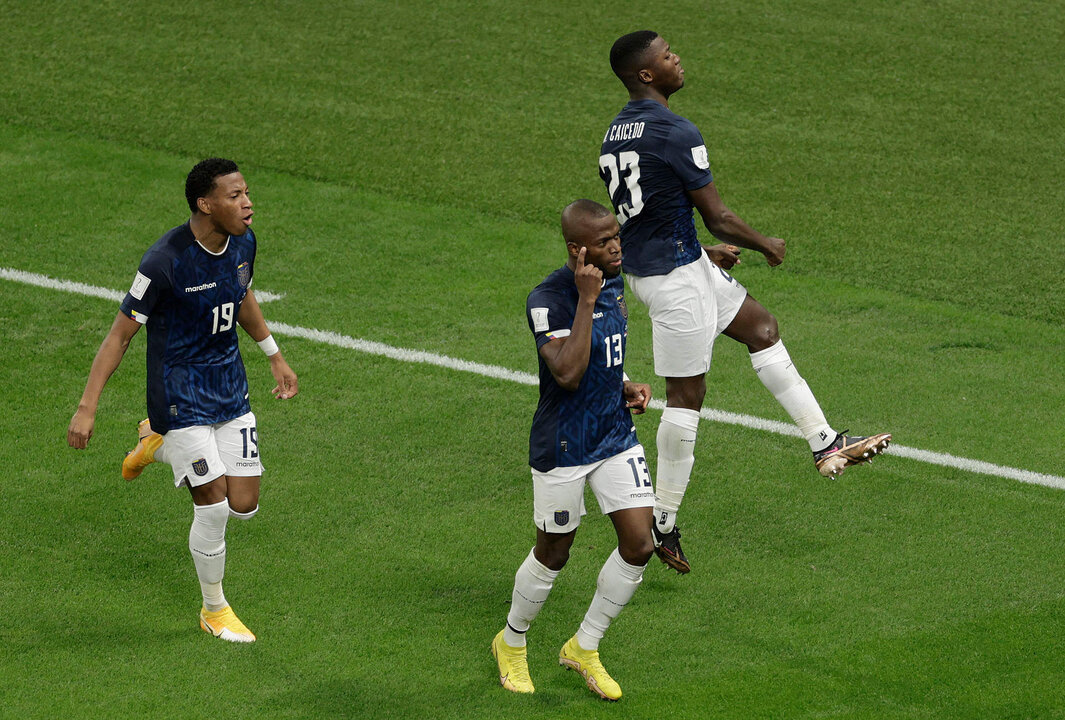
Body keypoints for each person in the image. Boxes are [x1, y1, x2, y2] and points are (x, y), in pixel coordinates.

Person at [600, 31, 891, 574]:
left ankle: (825, 442)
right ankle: (662, 521)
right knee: (686, 397)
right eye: (665, 56)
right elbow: (718, 215)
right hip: (675, 282)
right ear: (645, 74)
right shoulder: (675, 130)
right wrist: (765, 243)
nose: (676, 57)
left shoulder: (615, 132)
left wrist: (701, 252)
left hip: (676, 266)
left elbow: (642, 216)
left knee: (761, 328)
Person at [67, 158, 298, 643]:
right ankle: (214, 610)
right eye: (234, 196)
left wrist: (273, 355)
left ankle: (155, 441)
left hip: (229, 389)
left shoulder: (245, 243)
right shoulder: (164, 262)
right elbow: (119, 335)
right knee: (212, 508)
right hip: (179, 394)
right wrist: (88, 406)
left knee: (244, 505)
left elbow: (242, 296)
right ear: (205, 204)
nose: (247, 202)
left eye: (246, 192)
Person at [491, 199, 655, 701]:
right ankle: (511, 641)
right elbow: (566, 372)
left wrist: (624, 382)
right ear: (576, 249)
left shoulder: (616, 282)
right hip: (564, 444)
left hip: (613, 434)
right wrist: (586, 301)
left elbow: (605, 353)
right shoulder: (550, 298)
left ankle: (584, 646)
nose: (617, 247)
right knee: (554, 553)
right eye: (606, 242)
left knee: (640, 543)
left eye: (617, 237)